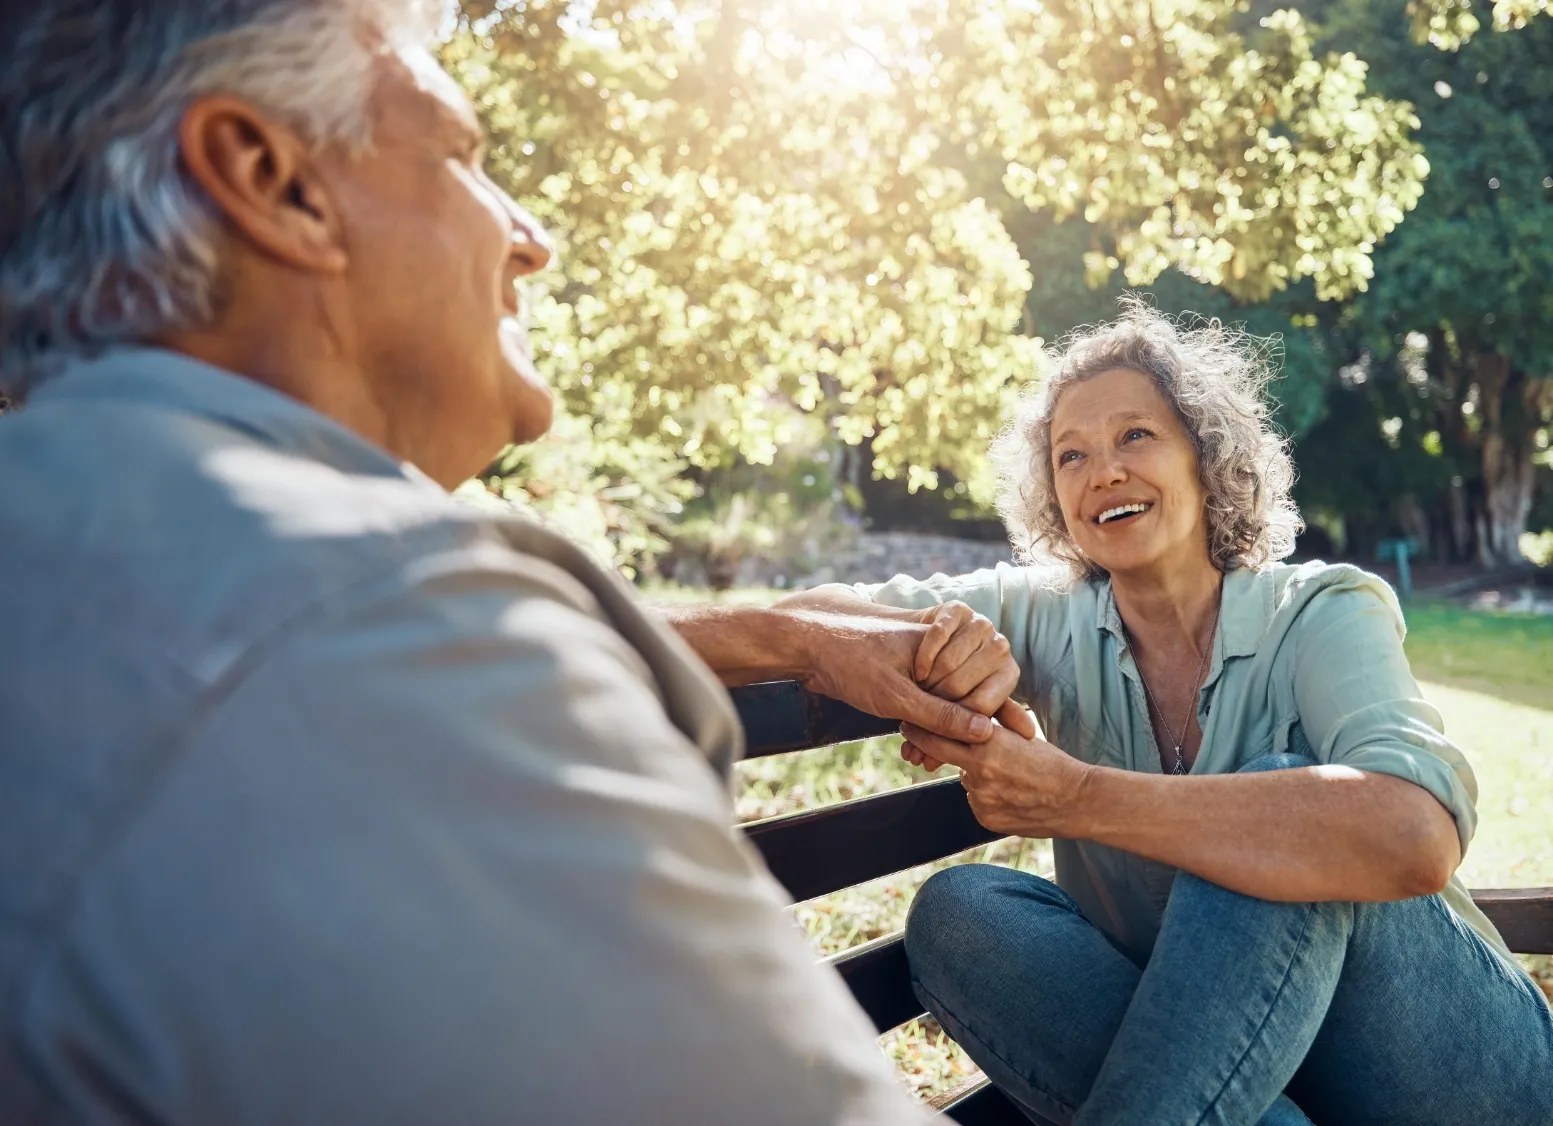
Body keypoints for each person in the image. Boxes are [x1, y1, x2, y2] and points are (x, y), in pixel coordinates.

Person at [0, 2, 1014, 1122]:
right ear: (271, 179)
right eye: (460, 155)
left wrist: (779, 635)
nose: (530, 235)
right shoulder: (395, 633)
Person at [768, 303, 1553, 1125]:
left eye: (1135, 437)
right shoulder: (1040, 616)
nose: (1101, 471)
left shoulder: (1322, 609)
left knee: (1276, 816)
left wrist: (1074, 799)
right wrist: (923, 647)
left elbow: (1414, 836)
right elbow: (822, 615)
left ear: (1207, 460)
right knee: (964, 915)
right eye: (1070, 456)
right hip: (1238, 1080)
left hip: (1457, 1078)